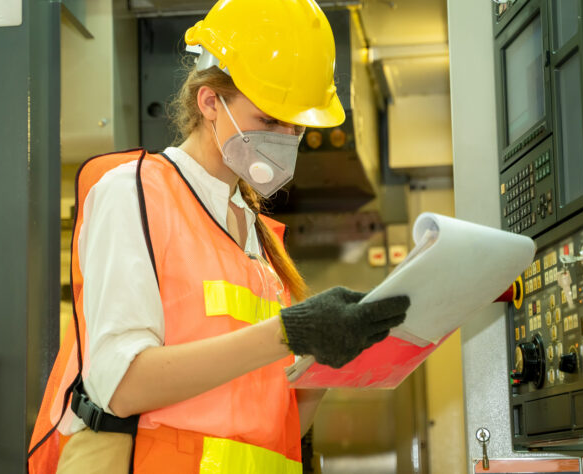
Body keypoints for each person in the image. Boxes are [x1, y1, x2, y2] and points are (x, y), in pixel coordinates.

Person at [27, 1, 410, 472]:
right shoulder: (136, 192)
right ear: (210, 102)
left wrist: (336, 359)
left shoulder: (259, 238)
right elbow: (120, 385)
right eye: (269, 120)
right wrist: (290, 332)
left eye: (295, 125)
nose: (286, 137)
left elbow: (277, 421)